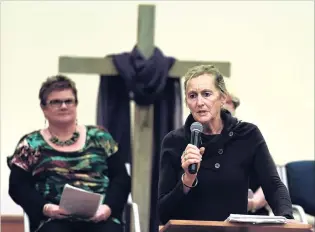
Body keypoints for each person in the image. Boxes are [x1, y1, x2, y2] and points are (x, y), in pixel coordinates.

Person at [158, 64, 295, 224]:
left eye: (206, 94)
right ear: (187, 102)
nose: (199, 102)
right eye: (192, 96)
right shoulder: (174, 142)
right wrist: (187, 180)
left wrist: (288, 218)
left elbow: (273, 185)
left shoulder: (247, 135)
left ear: (223, 98)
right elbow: (163, 213)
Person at [7, 75, 131, 232]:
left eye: (69, 101)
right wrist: (46, 208)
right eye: (56, 102)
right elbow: (18, 186)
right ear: (44, 108)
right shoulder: (31, 144)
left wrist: (108, 208)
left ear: (76, 104)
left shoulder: (100, 137)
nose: (64, 106)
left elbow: (121, 178)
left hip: (100, 217)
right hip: (53, 219)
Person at [223, 93, 269, 215]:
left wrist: (253, 203)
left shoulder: (250, 137)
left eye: (227, 102)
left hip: (252, 214)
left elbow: (270, 182)